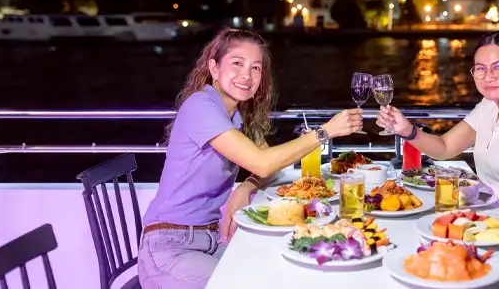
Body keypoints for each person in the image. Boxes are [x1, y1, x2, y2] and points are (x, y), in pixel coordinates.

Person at [137, 29, 363, 289]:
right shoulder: (200, 106)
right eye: (237, 63)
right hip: (169, 248)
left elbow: (271, 167)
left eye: (255, 68)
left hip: (210, 241)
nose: (246, 75)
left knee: (282, 271)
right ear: (214, 67)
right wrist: (325, 132)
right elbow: (263, 163)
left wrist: (247, 186)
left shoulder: (237, 116)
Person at [376, 30, 499, 276]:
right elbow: (445, 148)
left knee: (451, 268)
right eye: (480, 68)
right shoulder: (488, 107)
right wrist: (407, 130)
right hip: (491, 221)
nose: (488, 77)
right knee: (426, 250)